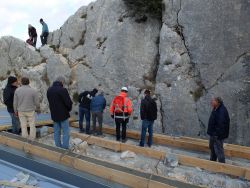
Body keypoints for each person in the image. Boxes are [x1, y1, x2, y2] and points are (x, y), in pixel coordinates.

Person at [47, 77, 73, 149]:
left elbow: (50, 102)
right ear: (62, 82)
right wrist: (68, 109)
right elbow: (68, 102)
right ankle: (65, 147)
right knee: (65, 131)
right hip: (63, 114)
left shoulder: (49, 90)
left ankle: (57, 146)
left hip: (54, 114)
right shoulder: (63, 90)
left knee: (56, 131)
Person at [207, 97, 230, 163]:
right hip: (213, 133)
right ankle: (212, 163)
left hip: (217, 135)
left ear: (218, 102)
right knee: (212, 148)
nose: (211, 102)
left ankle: (222, 165)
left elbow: (221, 124)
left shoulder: (221, 110)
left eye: (213, 101)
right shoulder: (215, 108)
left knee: (219, 150)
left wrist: (216, 134)